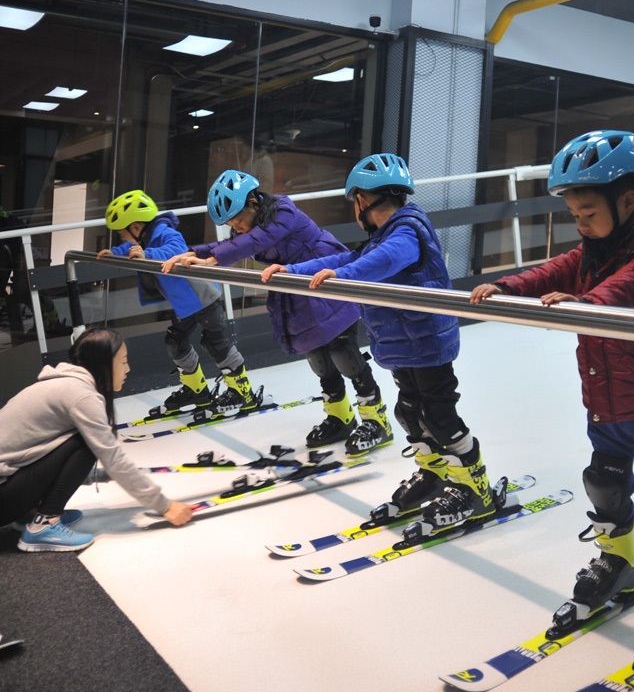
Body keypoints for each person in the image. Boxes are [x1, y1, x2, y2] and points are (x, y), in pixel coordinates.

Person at [470, 130, 634, 645]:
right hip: (605, 397)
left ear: (627, 199)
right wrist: (505, 286)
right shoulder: (595, 248)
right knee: (604, 483)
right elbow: (557, 268)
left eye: (588, 209)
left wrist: (592, 303)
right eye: (575, 213)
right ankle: (623, 560)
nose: (581, 221)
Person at [262, 153, 494, 538]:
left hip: (426, 342)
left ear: (363, 200)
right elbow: (351, 256)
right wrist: (294, 269)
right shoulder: (383, 235)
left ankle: (474, 487)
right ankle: (435, 476)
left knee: (440, 416)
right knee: (408, 410)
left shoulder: (407, 229)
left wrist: (343, 275)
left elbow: (386, 260)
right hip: (404, 344)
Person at [161, 170, 392, 457]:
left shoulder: (283, 211)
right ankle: (340, 417)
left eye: (238, 218)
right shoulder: (246, 230)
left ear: (254, 203)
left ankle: (376, 420)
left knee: (343, 351)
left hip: (325, 276)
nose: (236, 226)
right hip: (295, 289)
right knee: (317, 355)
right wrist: (191, 251)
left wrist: (212, 257)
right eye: (230, 222)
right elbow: (232, 243)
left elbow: (256, 240)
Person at [0, 328, 192, 552]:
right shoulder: (82, 396)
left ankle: (30, 513)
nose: (127, 369)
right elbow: (113, 458)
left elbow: (42, 452)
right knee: (87, 442)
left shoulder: (66, 385)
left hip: (8, 488)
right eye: (123, 362)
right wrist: (165, 506)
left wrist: (97, 475)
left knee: (85, 440)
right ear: (103, 363)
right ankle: (44, 523)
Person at [98, 190, 256, 417]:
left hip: (203, 298)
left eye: (123, 234)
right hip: (185, 304)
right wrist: (113, 252)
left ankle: (243, 393)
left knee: (216, 343)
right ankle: (197, 390)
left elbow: (177, 249)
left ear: (136, 227)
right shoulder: (145, 237)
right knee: (175, 341)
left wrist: (147, 253)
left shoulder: (163, 231)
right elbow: (131, 249)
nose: (123, 239)